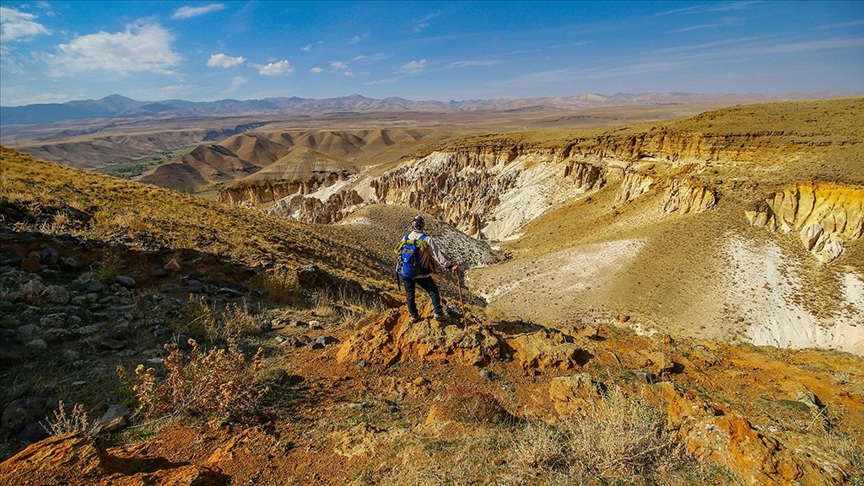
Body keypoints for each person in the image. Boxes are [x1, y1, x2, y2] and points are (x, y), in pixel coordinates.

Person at [394, 215, 459, 323]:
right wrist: (450, 266)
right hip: (421, 273)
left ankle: (414, 316)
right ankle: (438, 313)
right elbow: (437, 255)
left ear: (412, 225)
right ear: (423, 226)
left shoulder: (405, 239)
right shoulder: (426, 239)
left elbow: (399, 254)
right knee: (433, 291)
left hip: (406, 273)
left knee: (410, 295)